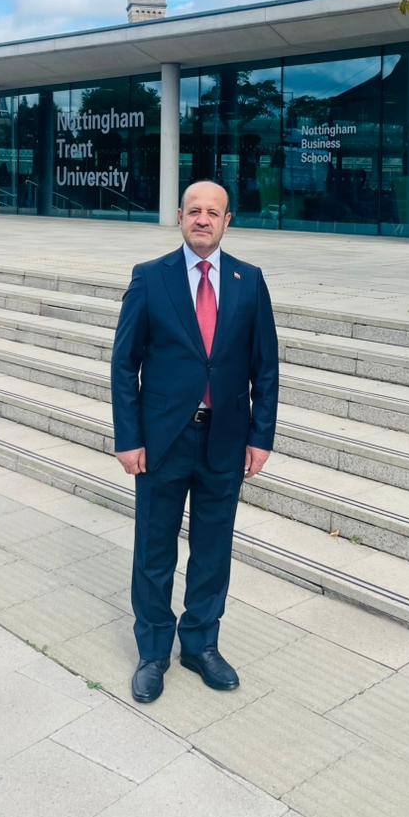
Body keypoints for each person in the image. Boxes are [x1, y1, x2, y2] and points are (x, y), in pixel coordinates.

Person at [110, 179, 279, 703]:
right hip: (163, 440)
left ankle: (201, 644)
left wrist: (261, 436)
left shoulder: (249, 281)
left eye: (213, 212)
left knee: (213, 549)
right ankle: (153, 651)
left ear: (228, 221)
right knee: (154, 550)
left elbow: (265, 367)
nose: (202, 219)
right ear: (180, 217)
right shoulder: (150, 277)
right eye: (194, 210)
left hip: (225, 439)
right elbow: (124, 364)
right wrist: (129, 437)